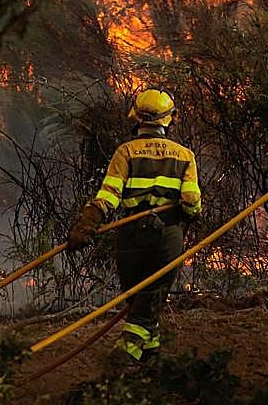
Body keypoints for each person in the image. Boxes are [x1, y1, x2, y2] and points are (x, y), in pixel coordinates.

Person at [67, 88, 201, 364]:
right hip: (167, 234)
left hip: (131, 232)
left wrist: (89, 221)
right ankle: (131, 354)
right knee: (149, 295)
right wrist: (190, 212)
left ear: (136, 118)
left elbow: (109, 194)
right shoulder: (184, 155)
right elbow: (191, 201)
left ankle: (143, 352)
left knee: (137, 294)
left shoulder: (125, 152)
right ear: (170, 119)